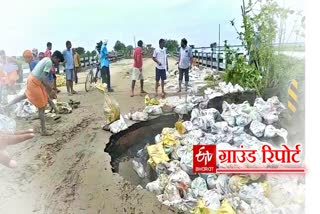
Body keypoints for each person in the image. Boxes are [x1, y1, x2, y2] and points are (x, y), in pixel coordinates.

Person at [2, 50, 63, 136]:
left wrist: (49, 90)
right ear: (56, 58)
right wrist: (51, 90)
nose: (58, 63)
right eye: (58, 61)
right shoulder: (49, 63)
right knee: (42, 106)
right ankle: (43, 131)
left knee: (29, 96)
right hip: (35, 82)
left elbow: (41, 78)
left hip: (32, 79)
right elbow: (43, 78)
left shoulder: (46, 59)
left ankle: (5, 106)